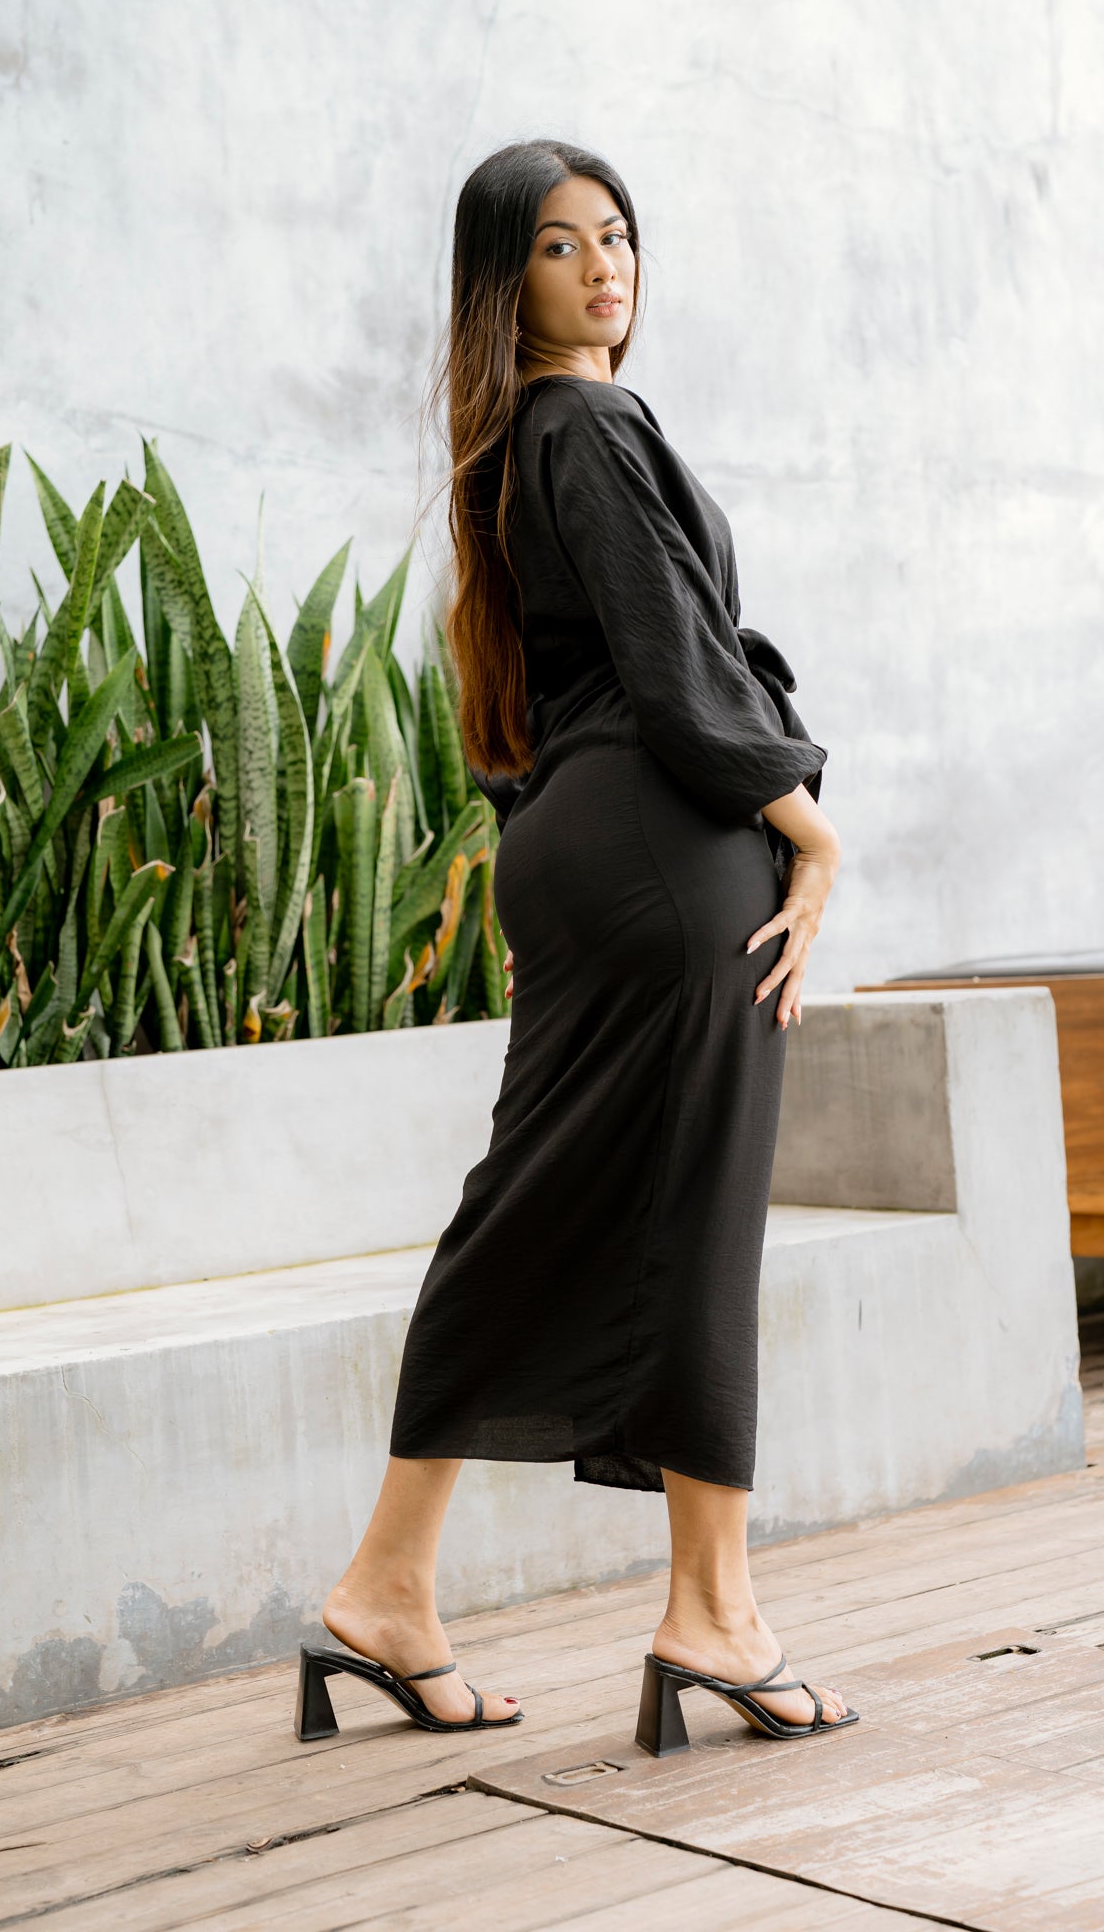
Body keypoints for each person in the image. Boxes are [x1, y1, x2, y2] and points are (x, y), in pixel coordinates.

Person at [294, 140, 856, 1747]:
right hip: (670, 853)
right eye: (559, 245)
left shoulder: (512, 441)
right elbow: (678, 659)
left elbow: (547, 696)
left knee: (527, 1209)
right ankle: (714, 1618)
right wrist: (808, 831)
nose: (603, 266)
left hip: (571, 848)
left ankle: (385, 1590)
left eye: (616, 235)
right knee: (697, 1215)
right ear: (504, 279)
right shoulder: (590, 425)